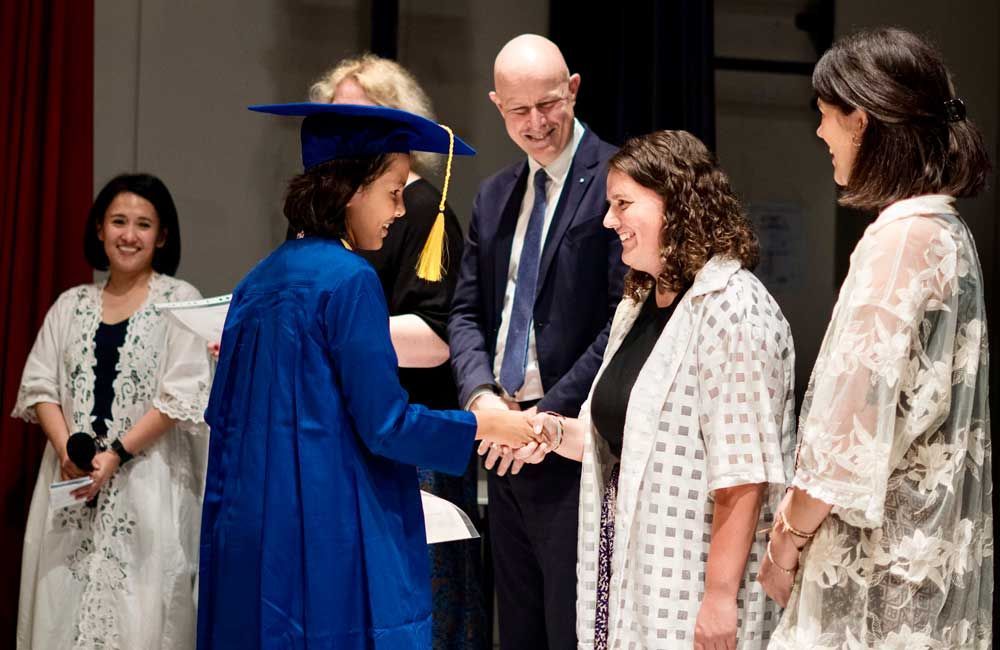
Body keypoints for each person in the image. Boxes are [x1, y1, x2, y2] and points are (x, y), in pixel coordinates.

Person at [196, 102, 544, 650]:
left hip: (253, 538)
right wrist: (485, 427)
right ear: (351, 189)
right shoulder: (350, 280)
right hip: (327, 532)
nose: (402, 211)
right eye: (394, 191)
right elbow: (385, 424)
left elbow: (224, 419)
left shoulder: (254, 283)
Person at [758, 28, 993, 649]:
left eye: (826, 117)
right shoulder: (948, 230)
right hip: (921, 569)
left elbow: (850, 425)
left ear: (860, 121)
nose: (820, 133)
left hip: (875, 578)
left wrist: (784, 542)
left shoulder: (900, 240)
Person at [514, 130, 795, 649]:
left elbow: (743, 474)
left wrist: (718, 598)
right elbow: (635, 444)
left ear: (677, 203)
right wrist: (551, 432)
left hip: (694, 592)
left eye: (623, 204)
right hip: (632, 578)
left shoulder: (733, 308)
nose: (608, 220)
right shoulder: (642, 302)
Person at [448, 34, 625, 650]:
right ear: (497, 105)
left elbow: (620, 320)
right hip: (503, 440)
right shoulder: (494, 195)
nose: (537, 123)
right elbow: (466, 312)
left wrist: (544, 418)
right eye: (519, 111)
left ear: (572, 88)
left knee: (573, 630)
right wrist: (483, 403)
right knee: (515, 629)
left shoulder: (616, 177)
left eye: (549, 104)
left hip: (574, 443)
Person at [309, 54, 485, 649]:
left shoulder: (426, 210)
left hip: (413, 438)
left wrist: (331, 331)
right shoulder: (322, 215)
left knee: (417, 603)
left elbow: (437, 339)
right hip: (342, 431)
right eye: (334, 118)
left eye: (359, 116)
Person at [12, 173, 212, 649]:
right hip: (71, 486)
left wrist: (116, 454)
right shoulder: (70, 304)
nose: (129, 234)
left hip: (150, 487)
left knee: (141, 616)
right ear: (99, 228)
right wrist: (68, 451)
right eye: (118, 221)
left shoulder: (179, 301)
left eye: (143, 224)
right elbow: (40, 385)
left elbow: (180, 394)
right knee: (61, 612)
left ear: (162, 237)